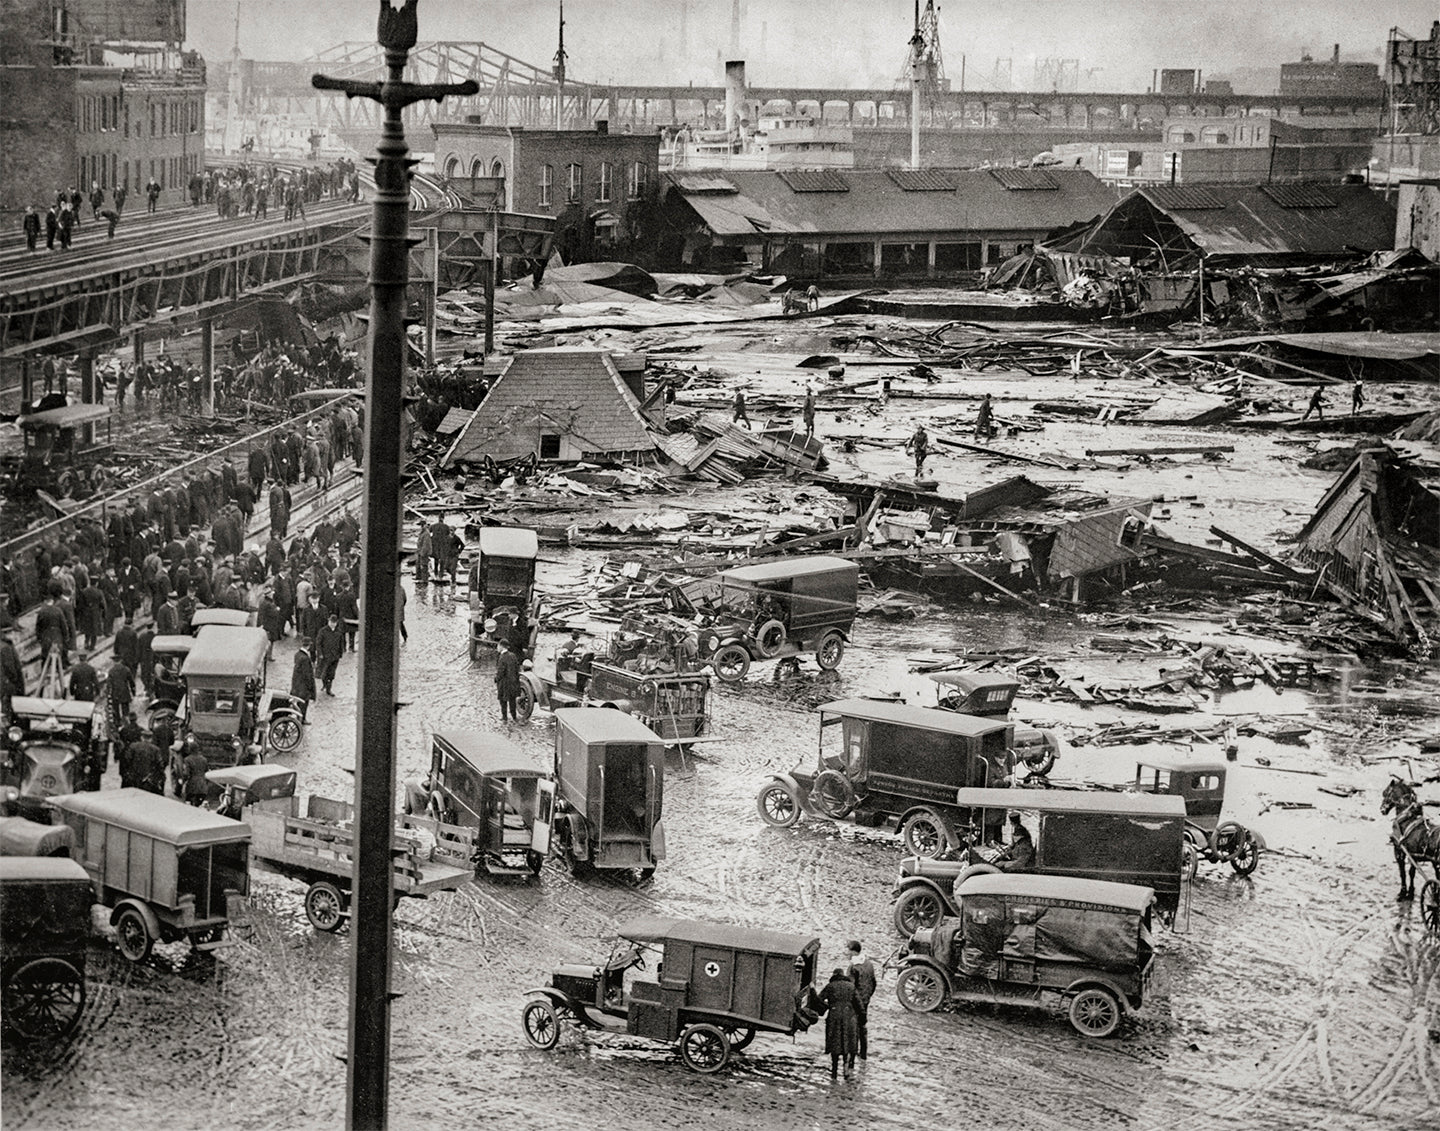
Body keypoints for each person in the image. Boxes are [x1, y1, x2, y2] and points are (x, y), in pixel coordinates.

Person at [817, 967, 860, 1079]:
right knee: (847, 1043)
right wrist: (862, 1019)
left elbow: (819, 1000)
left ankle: (834, 1070)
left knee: (834, 1042)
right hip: (849, 1017)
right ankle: (846, 1067)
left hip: (834, 1016)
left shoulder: (830, 986)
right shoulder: (851, 987)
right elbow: (859, 1004)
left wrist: (826, 1008)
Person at [847, 940, 877, 1061]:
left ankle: (852, 1055)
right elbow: (874, 982)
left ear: (853, 951)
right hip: (865, 999)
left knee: (853, 1027)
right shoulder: (869, 963)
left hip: (856, 1001)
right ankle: (863, 1053)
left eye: (848, 950)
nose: (846, 953)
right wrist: (868, 996)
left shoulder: (853, 967)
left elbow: (850, 987)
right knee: (862, 1026)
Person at [315, 613, 345, 696]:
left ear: (337, 623)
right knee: (324, 673)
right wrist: (320, 653)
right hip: (325, 656)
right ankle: (324, 684)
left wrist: (340, 654)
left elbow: (341, 643)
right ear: (328, 621)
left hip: (335, 656)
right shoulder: (323, 631)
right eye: (331, 622)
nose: (332, 624)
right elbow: (318, 643)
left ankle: (329, 689)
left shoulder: (339, 632)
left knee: (331, 673)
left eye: (334, 622)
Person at [495, 640, 521, 723]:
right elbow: (517, 668)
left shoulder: (502, 657)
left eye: (498, 646)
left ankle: (505, 718)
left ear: (501, 646)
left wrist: (496, 679)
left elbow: (501, 672)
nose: (497, 648)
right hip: (513, 683)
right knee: (512, 701)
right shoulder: (513, 655)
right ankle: (514, 717)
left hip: (504, 683)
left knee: (503, 701)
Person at [290, 639, 316, 721]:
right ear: (308, 646)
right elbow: (307, 674)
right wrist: (310, 686)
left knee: (299, 701)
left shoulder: (297, 654)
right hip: (303, 685)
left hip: (297, 682)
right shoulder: (305, 658)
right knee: (304, 702)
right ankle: (302, 719)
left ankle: (300, 718)